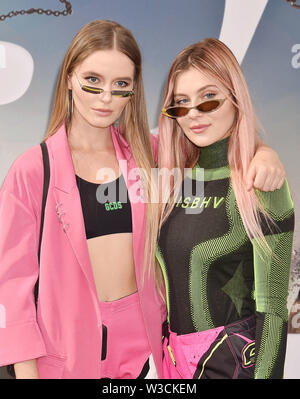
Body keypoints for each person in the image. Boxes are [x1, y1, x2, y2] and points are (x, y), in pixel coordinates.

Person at [0, 20, 286, 379]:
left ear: (134, 90)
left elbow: (215, 147)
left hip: (139, 360)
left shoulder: (150, 157)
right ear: (69, 77)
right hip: (60, 359)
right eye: (93, 80)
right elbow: (12, 289)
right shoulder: (32, 171)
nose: (106, 97)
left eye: (121, 84)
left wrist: (264, 153)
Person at [156, 38, 294, 379]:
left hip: (231, 365)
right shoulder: (172, 179)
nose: (193, 115)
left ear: (235, 98)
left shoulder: (261, 181)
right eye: (181, 103)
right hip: (171, 364)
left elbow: (273, 309)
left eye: (208, 99)